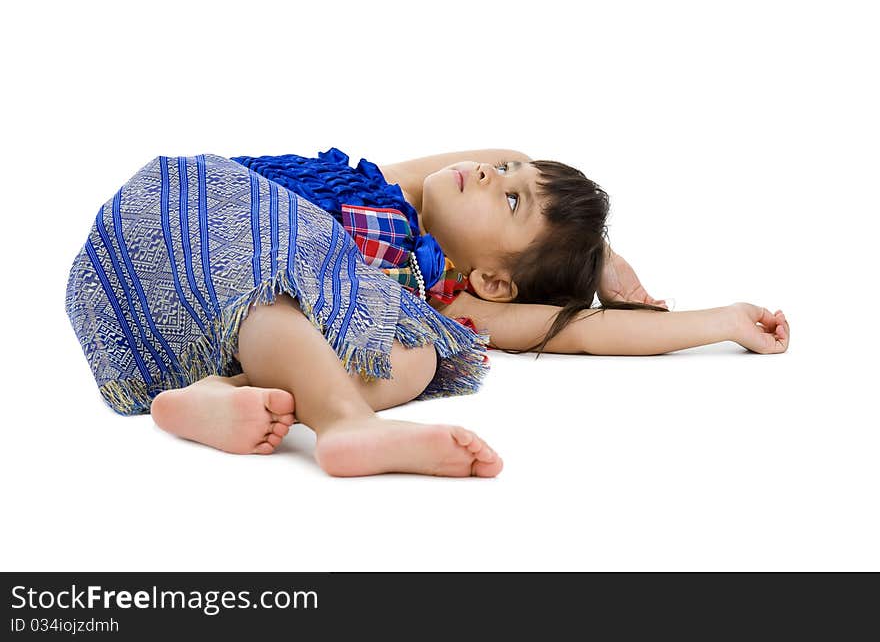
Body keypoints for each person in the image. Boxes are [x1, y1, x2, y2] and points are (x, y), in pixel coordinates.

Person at [65, 148, 789, 478]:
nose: (492, 173)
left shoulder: (453, 299)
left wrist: (720, 320)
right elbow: (507, 148)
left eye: (508, 200)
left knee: (418, 357)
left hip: (176, 329)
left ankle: (214, 397)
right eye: (509, 177)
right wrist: (603, 257)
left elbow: (589, 332)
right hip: (178, 215)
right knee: (291, 269)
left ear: (496, 284)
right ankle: (347, 426)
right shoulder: (389, 191)